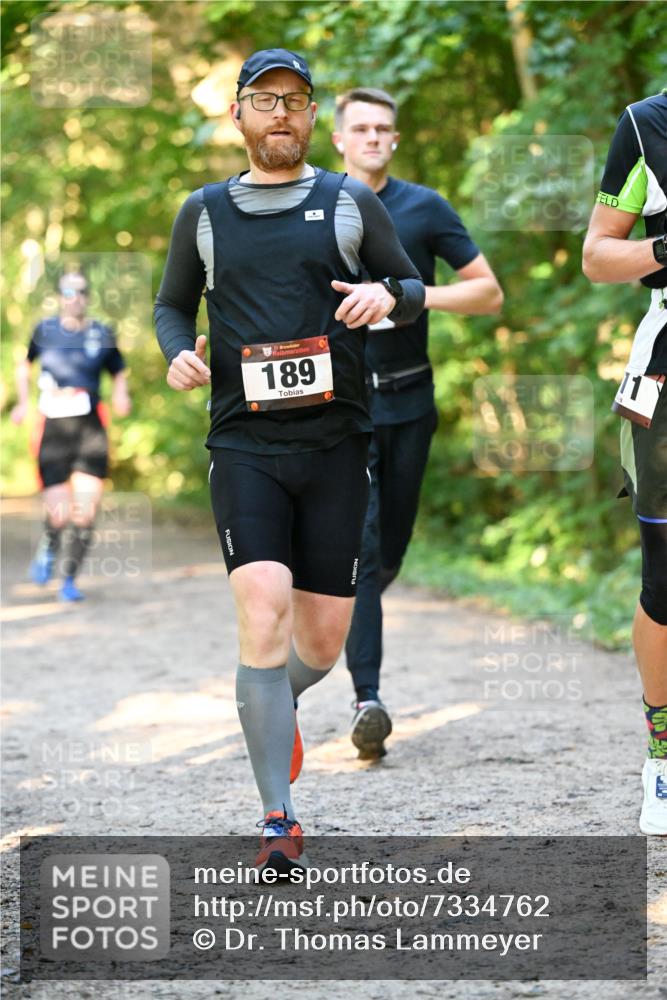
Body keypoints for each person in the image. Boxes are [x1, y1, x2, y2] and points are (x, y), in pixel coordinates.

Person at [153, 49, 425, 871]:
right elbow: (171, 305)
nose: (281, 113)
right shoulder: (203, 212)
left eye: (296, 101)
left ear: (313, 119)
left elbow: (408, 286)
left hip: (339, 444)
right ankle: (278, 815)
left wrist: (386, 296)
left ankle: (272, 710)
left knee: (321, 641)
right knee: (261, 610)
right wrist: (176, 353)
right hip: (244, 444)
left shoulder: (345, 202)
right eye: (264, 100)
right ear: (237, 115)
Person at [332, 88, 503, 758]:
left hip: (409, 400)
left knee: (388, 552)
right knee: (364, 548)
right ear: (338, 139)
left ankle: (344, 609)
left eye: (384, 129)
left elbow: (486, 292)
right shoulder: (315, 209)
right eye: (361, 129)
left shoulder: (423, 207)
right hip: (342, 408)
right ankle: (366, 698)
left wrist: (408, 294)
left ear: (394, 140)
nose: (373, 138)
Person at [582, 89, 667, 835]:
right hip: (666, 379)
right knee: (666, 578)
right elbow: (598, 254)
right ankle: (662, 762)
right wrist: (663, 248)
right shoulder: (646, 124)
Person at [11, 271, 131, 602]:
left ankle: (69, 580)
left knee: (86, 510)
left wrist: (121, 395)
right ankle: (50, 545)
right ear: (60, 297)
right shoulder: (44, 331)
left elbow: (119, 369)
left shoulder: (101, 333)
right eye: (67, 291)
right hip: (53, 428)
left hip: (89, 427)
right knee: (59, 512)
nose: (73, 297)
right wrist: (22, 402)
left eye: (79, 291)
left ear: (87, 297)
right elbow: (24, 365)